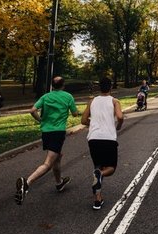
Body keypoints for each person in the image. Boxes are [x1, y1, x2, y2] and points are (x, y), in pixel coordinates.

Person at [14, 76, 79, 205]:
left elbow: (32, 110)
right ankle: (27, 183)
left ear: (52, 85)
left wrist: (40, 120)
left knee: (58, 157)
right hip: (58, 132)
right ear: (63, 85)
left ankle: (59, 183)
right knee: (48, 163)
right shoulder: (68, 96)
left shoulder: (46, 97)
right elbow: (75, 114)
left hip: (46, 132)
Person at [81, 77, 124, 210]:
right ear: (111, 88)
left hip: (93, 138)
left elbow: (83, 120)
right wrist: (118, 126)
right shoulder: (115, 101)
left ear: (99, 87)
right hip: (108, 138)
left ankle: (97, 200)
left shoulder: (92, 101)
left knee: (97, 167)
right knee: (110, 168)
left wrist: (92, 124)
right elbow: (120, 117)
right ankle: (101, 175)